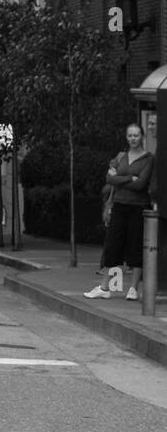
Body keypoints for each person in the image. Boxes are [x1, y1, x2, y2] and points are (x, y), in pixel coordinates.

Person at [86, 123, 155, 301]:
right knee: (113, 245)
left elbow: (141, 184)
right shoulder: (121, 156)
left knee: (135, 246)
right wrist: (128, 178)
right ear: (126, 137)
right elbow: (109, 178)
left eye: (136, 135)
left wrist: (120, 180)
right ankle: (105, 287)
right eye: (130, 135)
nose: (133, 139)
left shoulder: (148, 158)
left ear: (142, 137)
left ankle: (133, 288)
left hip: (139, 207)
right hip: (119, 205)